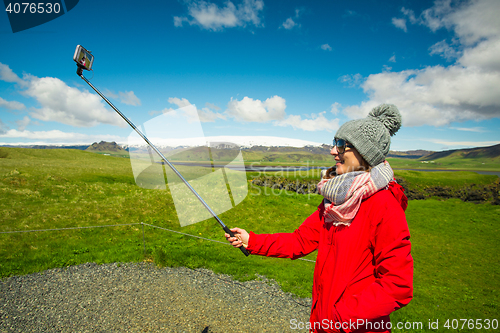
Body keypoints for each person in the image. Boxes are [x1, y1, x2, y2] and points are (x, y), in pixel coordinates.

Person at [226, 104, 413, 333]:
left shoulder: (384, 206)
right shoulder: (335, 200)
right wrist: (252, 241)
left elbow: (397, 284)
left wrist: (341, 318)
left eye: (342, 145)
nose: (334, 151)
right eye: (335, 143)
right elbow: (301, 240)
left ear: (366, 153)